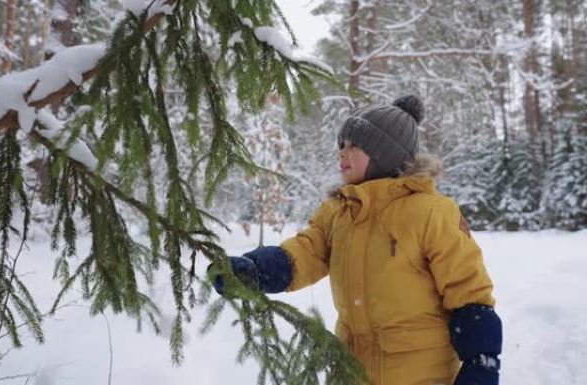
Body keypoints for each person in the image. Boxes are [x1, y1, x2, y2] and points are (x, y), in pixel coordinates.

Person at [211, 95, 502, 385]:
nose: (342, 153)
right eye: (341, 145)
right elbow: (306, 251)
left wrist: (481, 362)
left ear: (385, 154)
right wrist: (256, 271)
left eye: (354, 146)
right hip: (352, 371)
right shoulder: (338, 212)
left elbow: (467, 290)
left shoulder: (430, 212)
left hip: (421, 373)